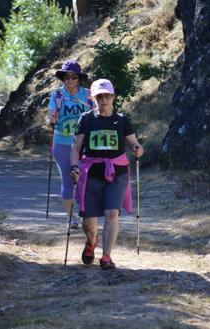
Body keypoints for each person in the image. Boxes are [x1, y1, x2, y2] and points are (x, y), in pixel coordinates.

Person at [70, 78, 143, 270]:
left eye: (107, 95)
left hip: (117, 174)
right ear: (93, 98)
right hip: (91, 174)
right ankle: (91, 241)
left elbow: (132, 142)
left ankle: (106, 257)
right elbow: (76, 147)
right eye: (99, 96)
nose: (104, 99)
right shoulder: (86, 119)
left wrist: (137, 148)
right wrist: (73, 167)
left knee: (111, 213)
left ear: (113, 97)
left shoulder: (122, 120)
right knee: (89, 222)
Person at [47, 60, 93, 229]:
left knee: (84, 178)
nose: (70, 80)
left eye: (74, 77)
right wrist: (50, 119)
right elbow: (50, 116)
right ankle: (71, 218)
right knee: (67, 180)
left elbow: (96, 114)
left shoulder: (88, 95)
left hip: (84, 144)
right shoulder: (57, 95)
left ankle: (85, 213)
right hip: (62, 143)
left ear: (79, 78)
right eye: (67, 77)